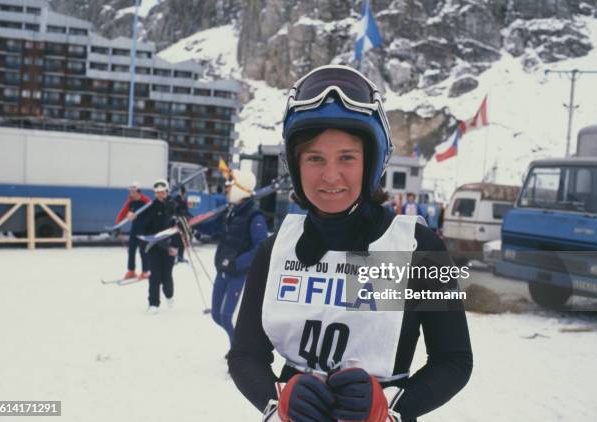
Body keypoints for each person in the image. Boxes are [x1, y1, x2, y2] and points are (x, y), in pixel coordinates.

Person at [228, 65, 472, 422]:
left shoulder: (419, 247)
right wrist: (275, 399)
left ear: (371, 162)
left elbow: (454, 360)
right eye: (314, 158)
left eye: (347, 158)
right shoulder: (276, 249)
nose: (330, 176)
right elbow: (245, 355)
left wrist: (391, 408)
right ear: (296, 165)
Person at [212, 169, 268, 352]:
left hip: (236, 273)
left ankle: (237, 353)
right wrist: (189, 222)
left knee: (226, 316)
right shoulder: (232, 212)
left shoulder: (254, 215)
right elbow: (214, 228)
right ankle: (237, 348)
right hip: (222, 269)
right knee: (216, 315)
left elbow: (261, 246)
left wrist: (238, 263)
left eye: (230, 186)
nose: (227, 190)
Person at [139, 179, 181, 314]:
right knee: (154, 276)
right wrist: (144, 243)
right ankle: (153, 303)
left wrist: (176, 246)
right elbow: (144, 228)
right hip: (154, 246)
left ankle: (169, 296)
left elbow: (178, 229)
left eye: (162, 192)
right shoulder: (150, 208)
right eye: (157, 193)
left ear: (167, 192)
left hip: (169, 247)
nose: (160, 195)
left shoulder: (174, 207)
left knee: (167, 276)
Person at [115, 182, 150, 280]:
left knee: (143, 251)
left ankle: (145, 272)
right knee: (131, 250)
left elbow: (152, 214)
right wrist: (117, 225)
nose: (131, 194)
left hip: (145, 230)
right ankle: (131, 271)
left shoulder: (146, 201)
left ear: (138, 192)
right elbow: (122, 214)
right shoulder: (130, 202)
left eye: (133, 192)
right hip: (135, 229)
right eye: (130, 192)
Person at [173, 185, 191, 262]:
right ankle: (173, 257)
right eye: (183, 193)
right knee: (175, 240)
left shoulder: (184, 200)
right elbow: (175, 210)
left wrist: (187, 217)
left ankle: (180, 257)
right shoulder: (176, 199)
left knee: (182, 240)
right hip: (177, 221)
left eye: (184, 193)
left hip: (183, 221)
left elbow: (186, 210)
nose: (183, 194)